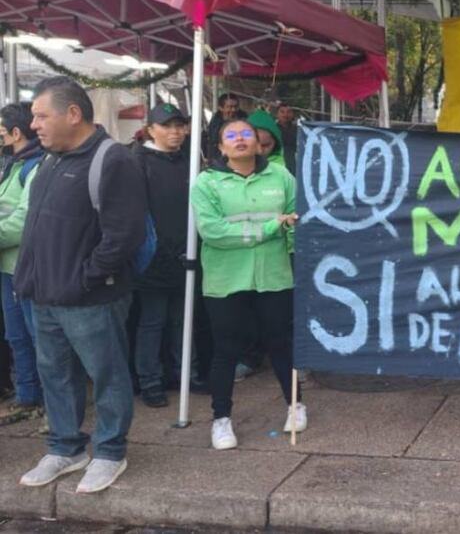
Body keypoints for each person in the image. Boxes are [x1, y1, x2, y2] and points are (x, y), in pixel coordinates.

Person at [17, 77, 147, 494]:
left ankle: (110, 451)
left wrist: (84, 278)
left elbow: (124, 236)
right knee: (55, 375)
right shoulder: (51, 159)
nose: (33, 124)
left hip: (90, 296)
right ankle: (66, 448)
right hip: (45, 295)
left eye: (41, 115)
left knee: (106, 374)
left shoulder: (113, 160)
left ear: (73, 113)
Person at [191, 118, 304, 450]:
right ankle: (221, 418)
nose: (240, 139)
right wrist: (269, 229)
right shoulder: (206, 183)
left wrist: (295, 246)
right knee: (226, 348)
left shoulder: (281, 176)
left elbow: (296, 218)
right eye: (231, 135)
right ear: (221, 147)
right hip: (226, 279)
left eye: (246, 134)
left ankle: (296, 404)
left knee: (280, 342)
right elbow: (213, 232)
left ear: (258, 142)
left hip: (274, 276)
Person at [132, 103, 196, 408]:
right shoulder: (137, 161)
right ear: (151, 129)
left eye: (179, 125)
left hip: (187, 253)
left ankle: (185, 373)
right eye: (167, 126)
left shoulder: (189, 159)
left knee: (183, 320)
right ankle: (150, 380)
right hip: (153, 257)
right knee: (152, 321)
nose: (175, 132)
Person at [0, 102, 45, 424]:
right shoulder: (14, 165)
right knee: (16, 335)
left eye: (2, 131)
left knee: (37, 336)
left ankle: (49, 402)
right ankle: (26, 396)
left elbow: (23, 221)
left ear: (17, 133)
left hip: (26, 268)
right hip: (7, 267)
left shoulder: (35, 167)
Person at [203, 93, 247, 163]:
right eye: (229, 107)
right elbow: (212, 143)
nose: (233, 110)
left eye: (235, 106)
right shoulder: (215, 124)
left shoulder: (245, 120)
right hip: (219, 159)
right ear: (221, 108)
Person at [275, 104, 298, 174]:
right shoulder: (273, 129)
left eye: (289, 112)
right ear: (277, 114)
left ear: (293, 114)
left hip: (294, 163)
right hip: (278, 163)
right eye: (282, 112)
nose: (285, 115)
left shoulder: (298, 130)